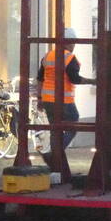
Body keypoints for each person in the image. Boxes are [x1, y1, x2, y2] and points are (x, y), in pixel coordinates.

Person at [37, 28, 94, 157]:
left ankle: (54, 158)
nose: (74, 45)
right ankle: (55, 153)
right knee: (73, 123)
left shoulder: (48, 56)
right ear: (69, 42)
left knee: (54, 129)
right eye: (73, 42)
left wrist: (40, 98)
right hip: (63, 100)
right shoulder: (70, 58)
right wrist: (93, 81)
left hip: (48, 100)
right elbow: (75, 79)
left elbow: (40, 78)